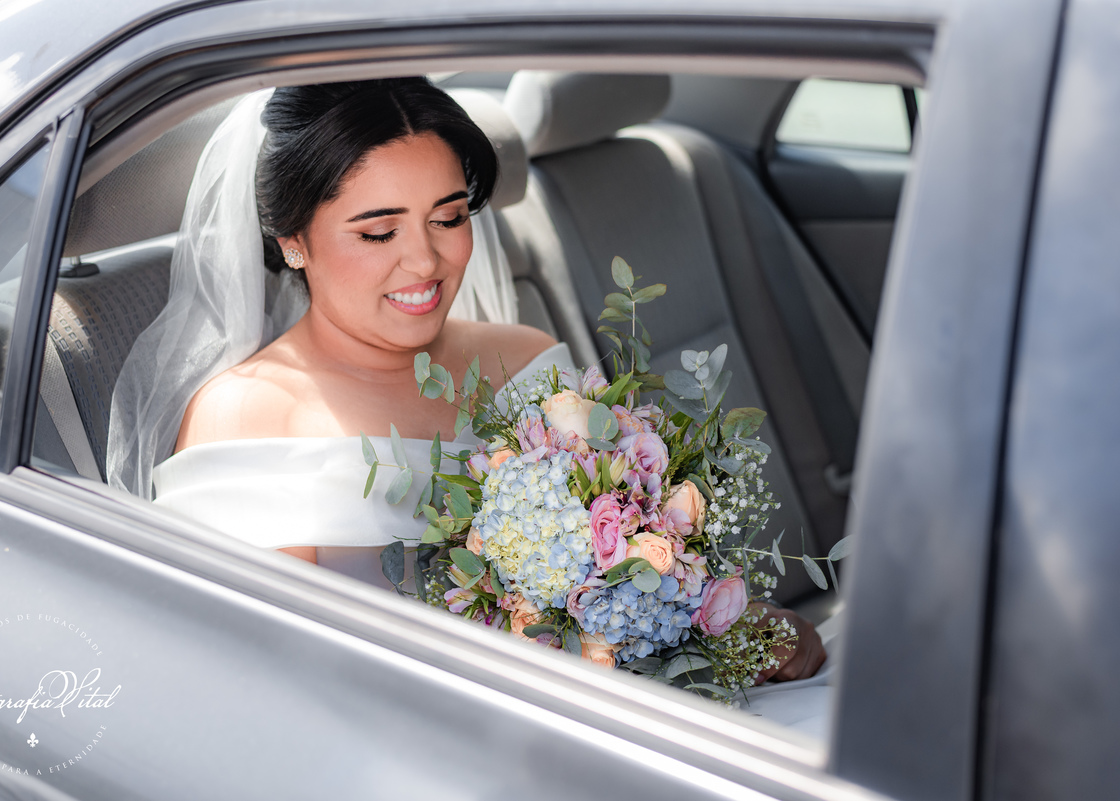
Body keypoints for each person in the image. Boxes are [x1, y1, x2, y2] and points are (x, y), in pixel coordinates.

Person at [106, 77, 825, 696]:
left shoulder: (527, 360)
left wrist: (727, 622)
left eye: (448, 218)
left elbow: (638, 560)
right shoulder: (248, 414)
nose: (425, 260)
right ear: (293, 239)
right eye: (378, 233)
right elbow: (271, 686)